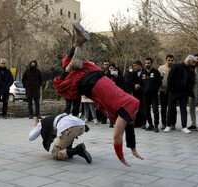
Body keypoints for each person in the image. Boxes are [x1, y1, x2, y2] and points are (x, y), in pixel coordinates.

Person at [53, 22, 143, 166]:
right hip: (90, 85)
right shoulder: (127, 112)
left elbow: (130, 129)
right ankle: (70, 66)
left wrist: (132, 148)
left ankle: (78, 42)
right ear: (133, 117)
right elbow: (117, 137)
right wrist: (121, 158)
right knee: (61, 86)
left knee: (67, 65)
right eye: (129, 122)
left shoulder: (133, 104)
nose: (126, 123)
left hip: (95, 73)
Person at [164, 55, 196, 134]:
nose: (193, 64)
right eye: (193, 62)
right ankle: (168, 125)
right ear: (188, 60)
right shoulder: (176, 66)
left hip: (184, 92)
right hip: (174, 91)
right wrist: (170, 89)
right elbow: (170, 78)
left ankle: (184, 127)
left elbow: (190, 82)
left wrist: (189, 92)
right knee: (171, 108)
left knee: (183, 109)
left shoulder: (190, 70)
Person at [140, 57, 162, 132]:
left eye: (148, 63)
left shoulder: (155, 72)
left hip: (153, 95)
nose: (147, 64)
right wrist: (143, 89)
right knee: (146, 110)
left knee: (155, 109)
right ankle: (150, 124)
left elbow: (159, 82)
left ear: (151, 63)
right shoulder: (143, 73)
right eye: (146, 63)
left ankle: (156, 125)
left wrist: (154, 89)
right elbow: (140, 83)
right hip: (145, 95)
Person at [107, 63, 126, 127]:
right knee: (110, 108)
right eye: (110, 68)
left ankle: (118, 121)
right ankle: (111, 121)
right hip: (109, 93)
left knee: (117, 107)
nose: (112, 70)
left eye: (113, 68)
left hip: (117, 93)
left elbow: (123, 82)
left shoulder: (118, 75)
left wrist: (117, 77)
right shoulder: (107, 75)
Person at [158, 54, 174, 130]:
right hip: (163, 91)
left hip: (172, 92)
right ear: (166, 60)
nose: (170, 62)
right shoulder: (161, 68)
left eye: (171, 60)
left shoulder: (174, 68)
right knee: (163, 109)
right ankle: (164, 123)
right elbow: (157, 78)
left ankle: (172, 123)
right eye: (169, 60)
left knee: (172, 108)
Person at [188, 54, 198, 130]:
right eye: (196, 59)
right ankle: (193, 123)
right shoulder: (190, 69)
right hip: (191, 92)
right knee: (191, 108)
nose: (197, 61)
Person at [131, 60, 146, 128]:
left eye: (136, 66)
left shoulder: (145, 72)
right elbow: (131, 82)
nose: (135, 67)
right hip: (136, 93)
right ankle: (137, 123)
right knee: (136, 108)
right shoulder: (134, 73)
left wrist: (141, 86)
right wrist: (135, 85)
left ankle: (143, 123)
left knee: (143, 108)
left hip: (143, 93)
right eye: (134, 66)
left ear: (140, 65)